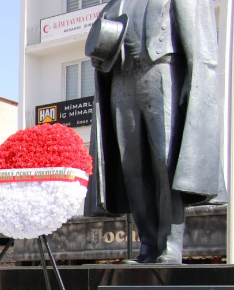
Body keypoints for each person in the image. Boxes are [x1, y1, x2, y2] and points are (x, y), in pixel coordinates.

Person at [85, 0, 221, 264]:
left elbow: (200, 39)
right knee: (132, 169)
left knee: (165, 164)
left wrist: (194, 82)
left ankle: (171, 246)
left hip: (163, 72)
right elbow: (100, 50)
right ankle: (148, 244)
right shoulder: (114, 4)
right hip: (123, 81)